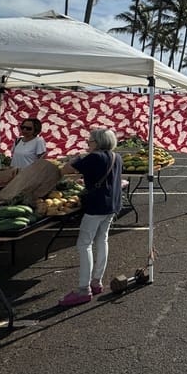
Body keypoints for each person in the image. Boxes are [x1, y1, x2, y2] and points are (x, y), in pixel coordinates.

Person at [58, 127, 123, 307]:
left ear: (98, 142)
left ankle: (83, 288)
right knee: (102, 240)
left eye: (90, 141)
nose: (88, 144)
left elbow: (65, 170)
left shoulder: (94, 157)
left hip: (96, 206)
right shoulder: (117, 157)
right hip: (112, 205)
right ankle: (97, 281)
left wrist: (77, 157)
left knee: (84, 243)